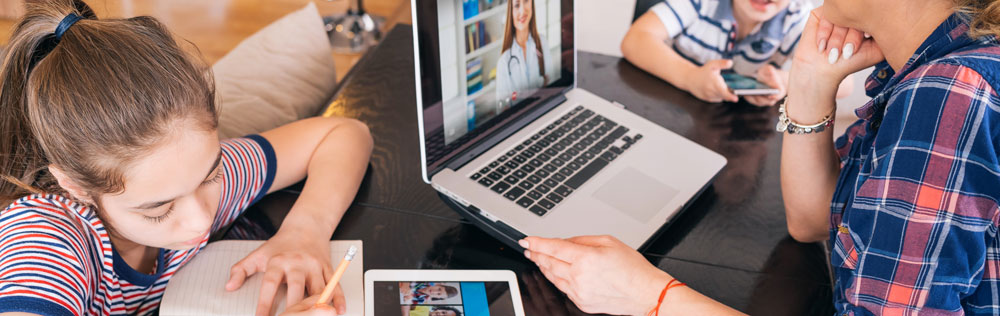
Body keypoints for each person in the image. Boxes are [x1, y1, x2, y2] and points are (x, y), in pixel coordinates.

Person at [522, 0, 1000, 313]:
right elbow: (812, 220)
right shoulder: (950, 66)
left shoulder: (948, 92)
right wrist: (811, 82)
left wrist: (647, 295)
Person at [0, 1, 373, 316]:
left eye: (210, 176)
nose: (201, 218)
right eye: (158, 209)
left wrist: (304, 232)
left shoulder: (190, 175)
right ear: (76, 185)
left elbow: (344, 135)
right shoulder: (45, 239)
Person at [622, 0, 852, 106]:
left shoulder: (796, 17)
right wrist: (690, 78)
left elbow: (844, 83)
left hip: (742, 126)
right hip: (673, 103)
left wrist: (786, 81)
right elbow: (636, 39)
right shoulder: (699, 3)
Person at [495, 0, 548, 106]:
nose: (522, 11)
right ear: (511, 12)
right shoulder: (504, 62)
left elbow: (553, 85)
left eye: (526, 1)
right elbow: (502, 110)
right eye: (517, 5)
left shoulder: (543, 43)